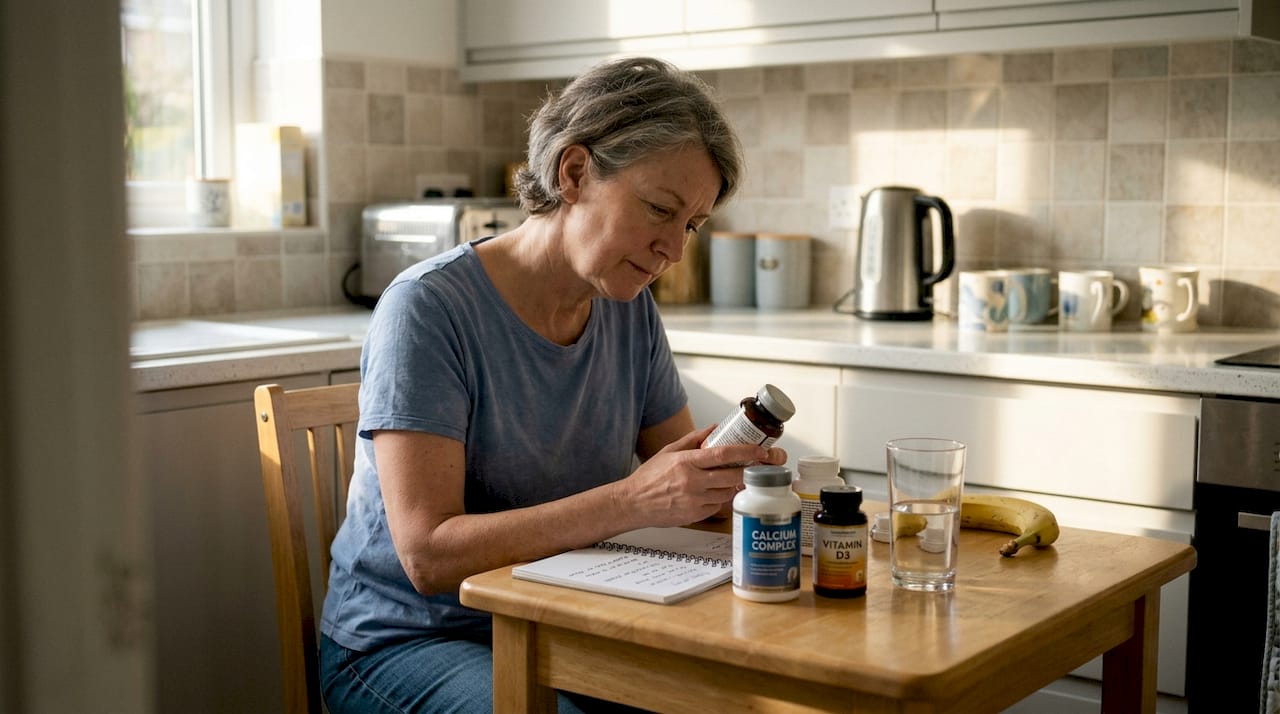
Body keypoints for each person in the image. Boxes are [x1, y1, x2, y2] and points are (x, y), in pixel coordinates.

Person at [318, 55, 786, 714]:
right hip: (408, 642)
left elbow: (680, 490)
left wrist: (738, 487)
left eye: (691, 225)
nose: (675, 250)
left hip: (560, 621)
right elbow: (427, 555)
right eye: (659, 209)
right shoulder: (427, 309)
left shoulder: (629, 307)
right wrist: (631, 500)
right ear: (573, 173)